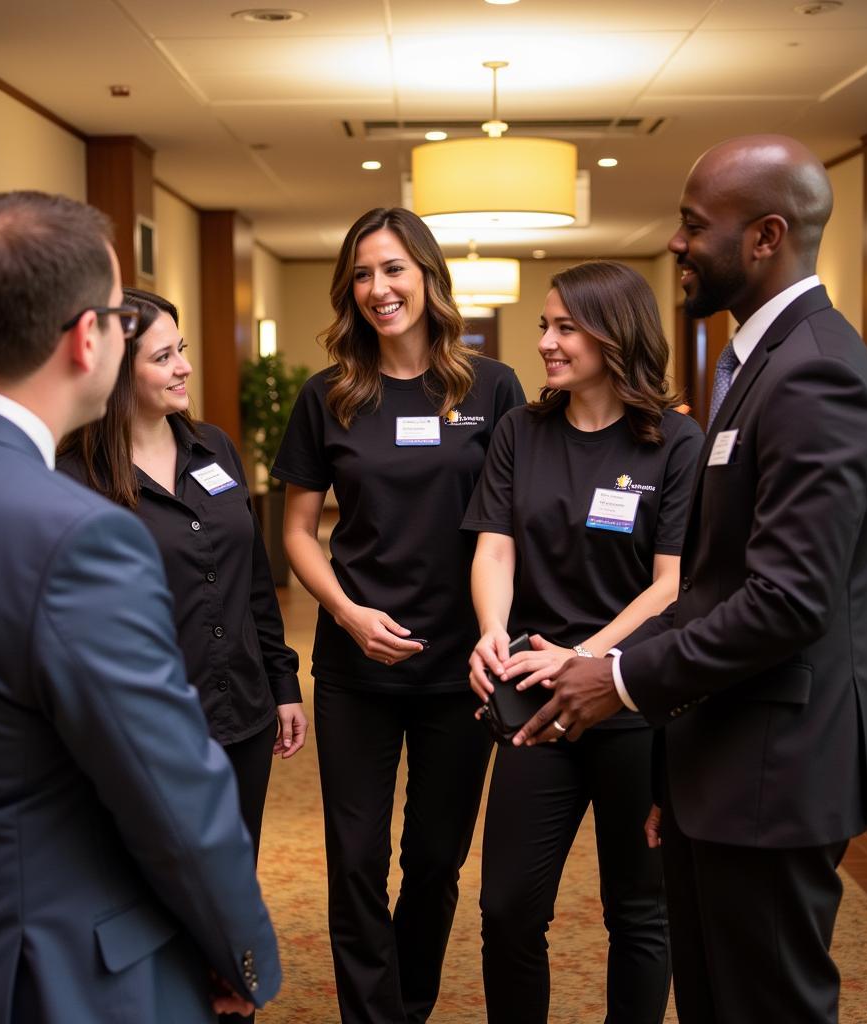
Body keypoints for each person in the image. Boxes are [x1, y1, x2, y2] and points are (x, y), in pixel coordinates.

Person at [0, 191, 280, 1023]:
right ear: (89, 339)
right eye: (123, 320)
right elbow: (171, 795)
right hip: (36, 975)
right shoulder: (76, 534)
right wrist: (238, 952)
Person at [520, 136, 867, 1024]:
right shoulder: (757, 360)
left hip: (774, 771)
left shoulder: (816, 368)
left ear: (765, 236)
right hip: (723, 759)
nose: (676, 244)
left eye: (692, 225)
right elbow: (726, 578)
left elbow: (789, 596)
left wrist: (624, 677)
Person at [272, 207, 525, 1023]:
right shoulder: (329, 396)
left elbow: (513, 525)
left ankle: (410, 1001)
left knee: (434, 861)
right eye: (363, 274)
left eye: (394, 270)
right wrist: (346, 614)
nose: (379, 289)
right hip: (358, 666)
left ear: (427, 275)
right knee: (354, 857)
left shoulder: (492, 388)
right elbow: (296, 532)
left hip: (462, 667)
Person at [463, 260, 702, 1022]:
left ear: (614, 333)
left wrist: (588, 658)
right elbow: (494, 547)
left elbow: (671, 586)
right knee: (505, 908)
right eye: (545, 325)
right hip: (535, 697)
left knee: (637, 910)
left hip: (635, 699)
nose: (546, 343)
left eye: (565, 327)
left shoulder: (676, 442)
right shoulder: (520, 431)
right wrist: (494, 633)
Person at [58, 287, 306, 871]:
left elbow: (253, 582)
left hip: (243, 716)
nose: (184, 366)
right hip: (144, 734)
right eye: (163, 356)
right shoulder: (75, 479)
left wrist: (283, 682)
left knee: (232, 882)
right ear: (117, 374)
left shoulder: (214, 447)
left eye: (183, 348)